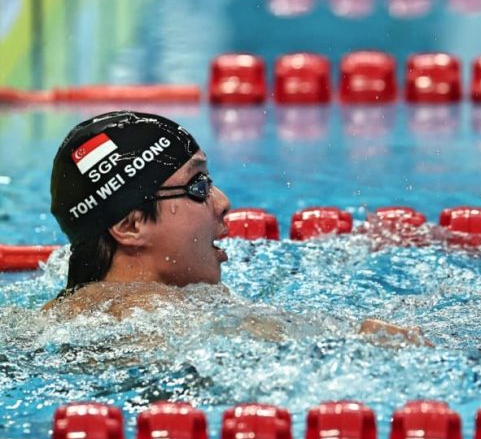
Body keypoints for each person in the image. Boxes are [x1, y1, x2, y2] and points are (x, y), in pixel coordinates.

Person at [45, 111, 428, 345]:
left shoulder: (58, 313)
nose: (223, 201)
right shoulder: (149, 309)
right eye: (198, 186)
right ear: (130, 226)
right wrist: (365, 339)